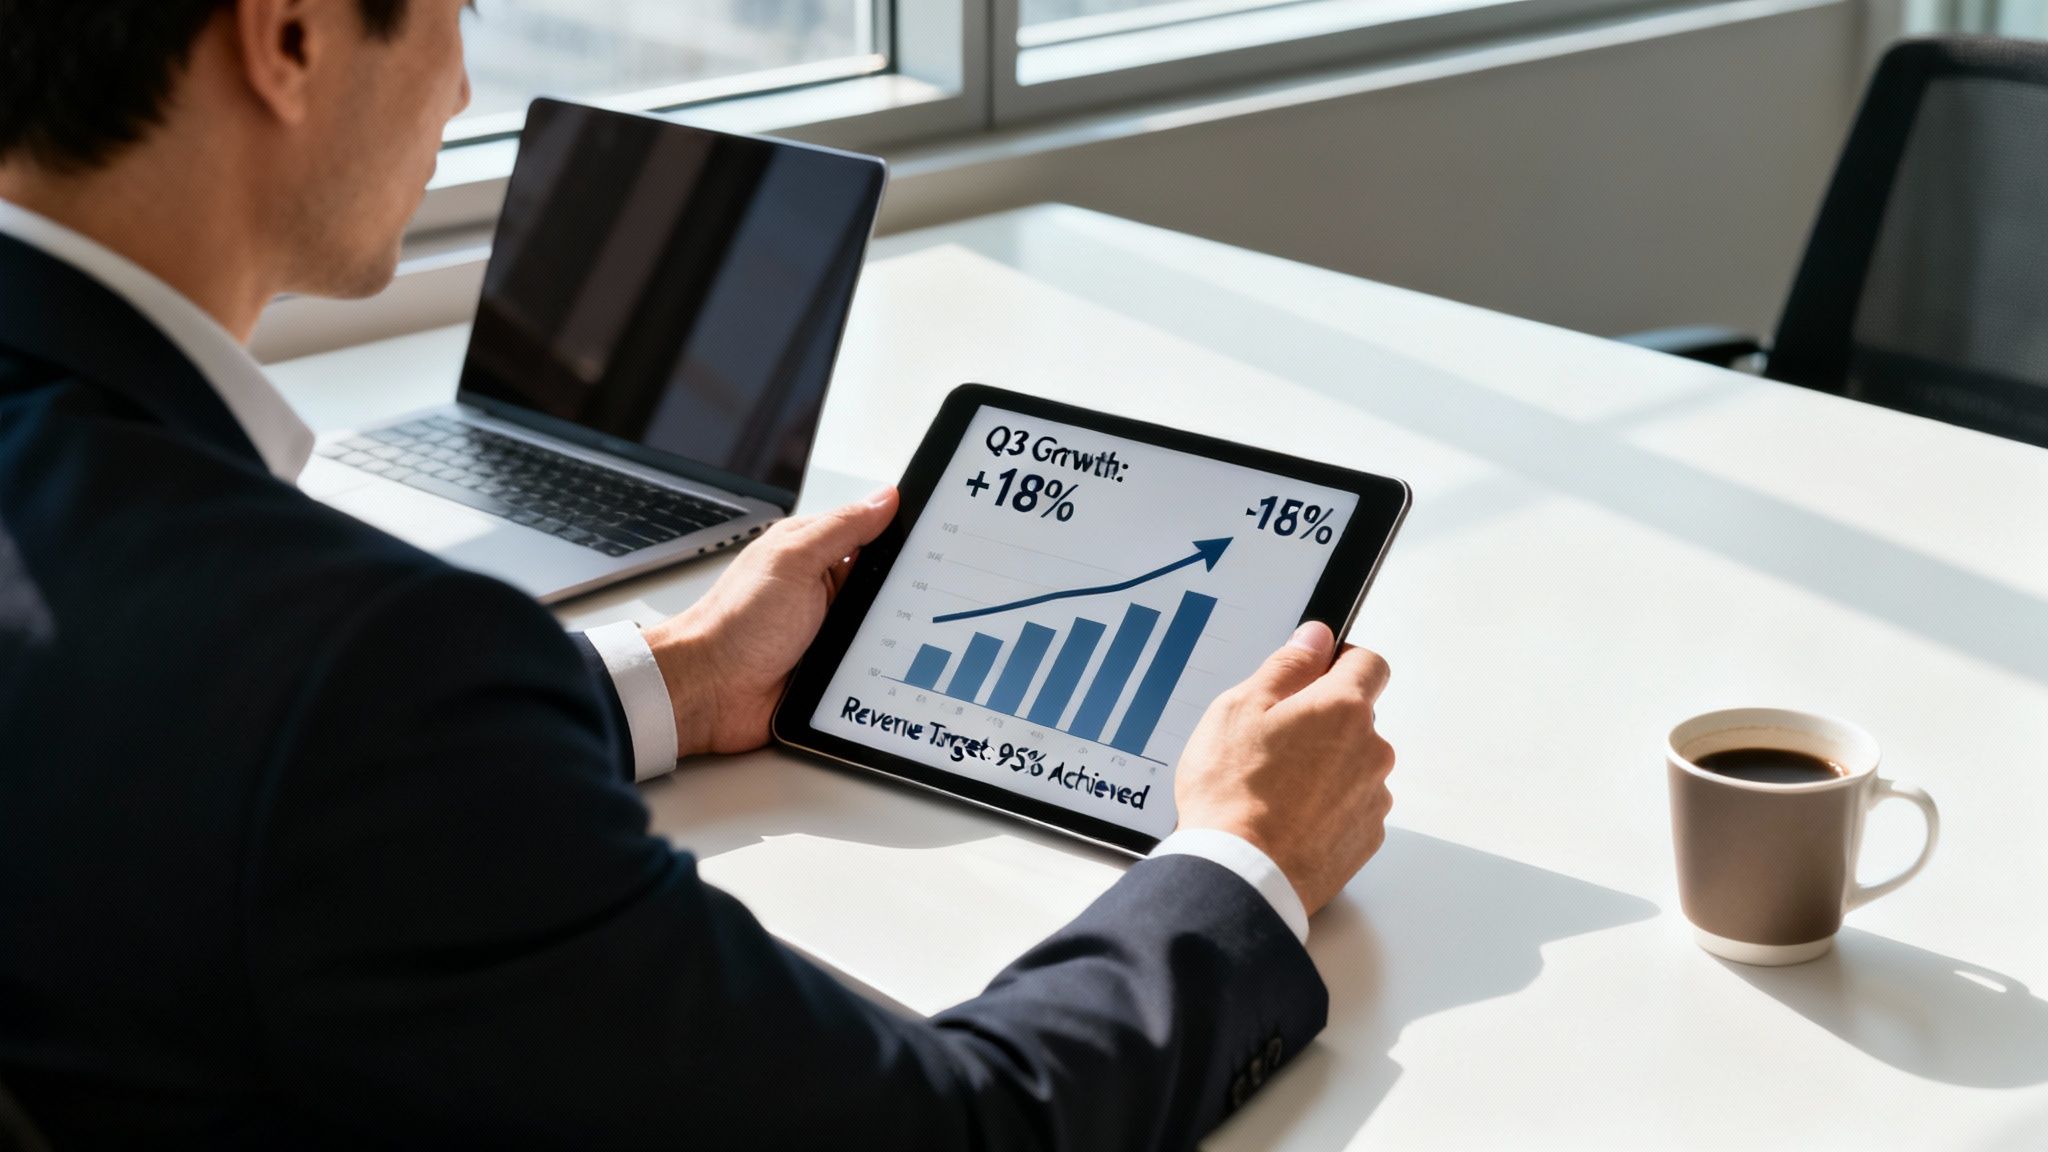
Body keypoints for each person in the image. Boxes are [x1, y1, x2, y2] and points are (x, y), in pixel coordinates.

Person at [0, 1, 1398, 1147]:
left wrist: (673, 678)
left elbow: (202, 753)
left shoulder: (154, 576)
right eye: (452, 9)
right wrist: (1243, 860)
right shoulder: (363, 675)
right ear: (289, 35)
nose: (467, 75)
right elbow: (953, 1134)